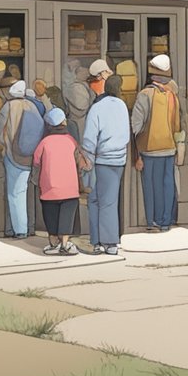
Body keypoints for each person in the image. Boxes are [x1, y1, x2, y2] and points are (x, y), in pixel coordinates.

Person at [130, 54, 184, 233]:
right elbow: (177, 125)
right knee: (167, 184)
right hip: (169, 147)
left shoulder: (145, 94)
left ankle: (151, 220)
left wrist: (135, 150)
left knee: (150, 186)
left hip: (149, 149)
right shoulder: (172, 96)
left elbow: (136, 125)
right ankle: (165, 221)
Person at [81, 61, 129, 256]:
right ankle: (104, 240)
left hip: (101, 160)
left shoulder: (97, 108)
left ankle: (104, 242)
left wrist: (87, 159)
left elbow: (89, 138)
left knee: (96, 200)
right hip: (118, 159)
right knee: (108, 200)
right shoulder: (122, 106)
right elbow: (125, 134)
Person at [0, 79, 41, 239]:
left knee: (15, 193)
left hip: (12, 155)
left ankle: (19, 229)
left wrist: (0, 149)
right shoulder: (32, 106)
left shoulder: (8, 107)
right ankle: (26, 226)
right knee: (25, 192)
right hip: (30, 155)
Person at [34, 107, 80, 255]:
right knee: (67, 214)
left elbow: (36, 161)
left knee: (50, 213)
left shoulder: (44, 142)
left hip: (49, 188)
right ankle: (65, 244)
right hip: (70, 187)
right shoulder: (71, 141)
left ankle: (53, 243)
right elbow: (79, 159)